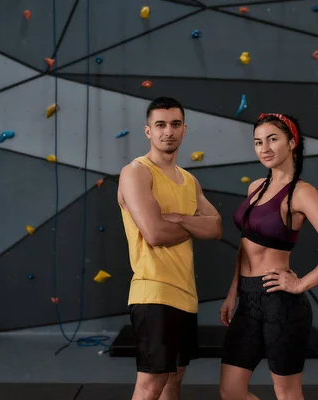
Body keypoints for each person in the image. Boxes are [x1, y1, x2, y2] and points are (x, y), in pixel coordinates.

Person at [219, 113, 318, 400]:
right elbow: (245, 246)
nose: (264, 148)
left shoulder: (302, 193)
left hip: (279, 301)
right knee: (230, 390)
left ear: (292, 143)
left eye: (272, 139)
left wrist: (300, 284)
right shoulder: (255, 187)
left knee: (287, 393)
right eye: (258, 142)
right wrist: (233, 293)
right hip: (247, 298)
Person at [117, 97, 223, 400]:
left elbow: (215, 227)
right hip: (154, 293)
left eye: (175, 124)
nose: (168, 131)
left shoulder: (190, 181)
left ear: (184, 129)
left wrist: (178, 218)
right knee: (151, 384)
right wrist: (192, 225)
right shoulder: (137, 172)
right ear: (148, 131)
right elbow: (154, 233)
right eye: (160, 125)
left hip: (185, 295)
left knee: (174, 380)